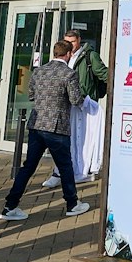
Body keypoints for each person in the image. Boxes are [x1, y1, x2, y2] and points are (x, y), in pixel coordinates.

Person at [1, 41, 94, 222]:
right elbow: (76, 100)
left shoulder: (39, 71)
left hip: (37, 124)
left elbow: (31, 95)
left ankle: (10, 205)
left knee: (28, 167)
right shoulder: (69, 74)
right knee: (66, 166)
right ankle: (72, 203)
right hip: (57, 127)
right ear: (67, 54)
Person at [49, 27, 108, 188]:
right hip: (66, 105)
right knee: (65, 140)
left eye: (72, 42)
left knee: (82, 140)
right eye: (66, 42)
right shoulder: (64, 57)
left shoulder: (89, 56)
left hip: (84, 103)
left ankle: (83, 171)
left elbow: (104, 74)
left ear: (79, 40)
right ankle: (59, 172)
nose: (69, 45)